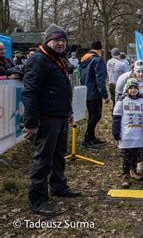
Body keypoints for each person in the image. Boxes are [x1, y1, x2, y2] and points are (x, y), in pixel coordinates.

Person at [22, 24, 81, 216]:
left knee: (58, 155)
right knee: (43, 159)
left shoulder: (58, 59)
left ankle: (59, 186)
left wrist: (68, 111)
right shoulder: (39, 60)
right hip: (46, 119)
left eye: (63, 40)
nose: (61, 43)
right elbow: (30, 92)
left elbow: (63, 88)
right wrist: (31, 123)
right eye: (57, 40)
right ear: (48, 41)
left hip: (60, 116)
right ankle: (38, 199)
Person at [112, 78, 143, 188]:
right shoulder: (122, 100)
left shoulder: (142, 101)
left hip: (138, 133)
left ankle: (133, 171)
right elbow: (116, 117)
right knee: (126, 155)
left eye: (135, 88)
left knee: (136, 154)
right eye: (130, 88)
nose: (133, 90)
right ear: (127, 89)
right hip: (126, 133)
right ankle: (125, 175)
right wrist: (116, 131)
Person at [80, 40, 110, 149]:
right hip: (95, 93)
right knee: (96, 115)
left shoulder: (84, 59)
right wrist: (105, 95)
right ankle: (87, 140)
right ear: (100, 50)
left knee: (93, 115)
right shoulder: (97, 60)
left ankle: (91, 137)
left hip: (86, 91)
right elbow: (100, 80)